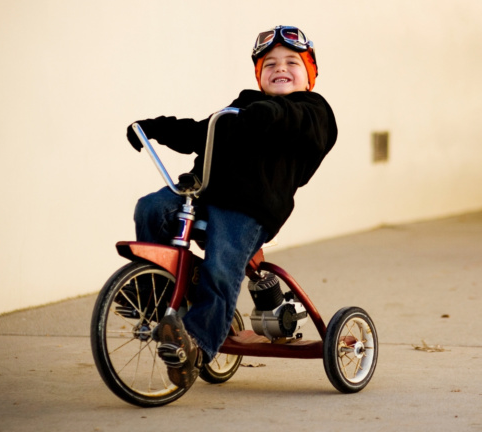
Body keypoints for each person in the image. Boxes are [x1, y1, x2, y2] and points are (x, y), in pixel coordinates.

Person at [125, 25, 337, 389]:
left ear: (309, 74)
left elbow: (296, 121)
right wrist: (154, 127)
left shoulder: (313, 111)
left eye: (292, 62)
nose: (280, 68)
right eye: (269, 64)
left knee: (221, 267)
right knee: (151, 209)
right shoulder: (242, 106)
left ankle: (195, 343)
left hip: (249, 207)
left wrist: (271, 112)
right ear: (259, 75)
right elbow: (201, 132)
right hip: (202, 193)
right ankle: (157, 297)